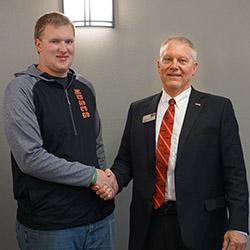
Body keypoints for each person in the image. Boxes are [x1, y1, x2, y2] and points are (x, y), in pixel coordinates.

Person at [95, 36, 249, 250]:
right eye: (167, 59)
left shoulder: (218, 109)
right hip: (150, 223)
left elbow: (235, 172)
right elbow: (126, 161)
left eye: (182, 60)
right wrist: (111, 182)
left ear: (194, 68)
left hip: (202, 225)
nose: (174, 66)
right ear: (158, 66)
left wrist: (239, 225)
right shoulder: (139, 110)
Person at [3, 11, 117, 250]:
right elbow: (30, 158)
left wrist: (104, 181)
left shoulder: (85, 86)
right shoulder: (21, 89)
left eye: (69, 41)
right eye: (55, 41)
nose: (63, 48)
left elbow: (95, 143)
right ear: (38, 44)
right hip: (51, 226)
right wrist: (93, 176)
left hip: (98, 218)